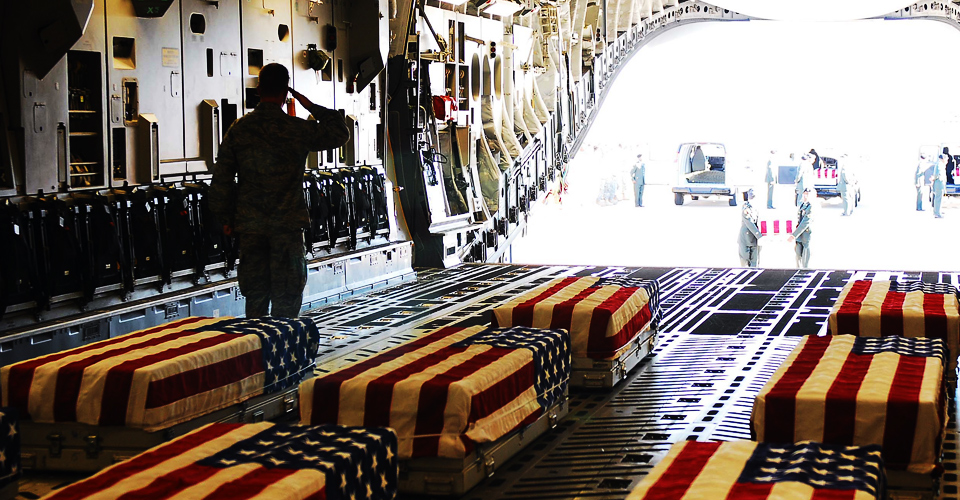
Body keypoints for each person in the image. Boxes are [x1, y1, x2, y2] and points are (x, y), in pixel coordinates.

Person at [210, 63, 350, 318]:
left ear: (259, 89)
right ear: (287, 92)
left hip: (251, 229)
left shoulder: (239, 129)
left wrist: (226, 219)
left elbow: (222, 179)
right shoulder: (296, 129)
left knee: (256, 299)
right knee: (286, 300)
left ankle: (257, 352)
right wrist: (310, 106)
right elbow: (340, 133)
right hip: (286, 228)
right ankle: (283, 354)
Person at [789, 187, 815, 268]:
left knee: (805, 253)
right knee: (798, 252)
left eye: (807, 195)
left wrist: (794, 235)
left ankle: (805, 269)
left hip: (806, 233)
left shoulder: (811, 207)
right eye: (804, 194)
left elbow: (805, 222)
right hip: (799, 234)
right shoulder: (803, 205)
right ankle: (798, 269)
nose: (805, 196)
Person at [738, 190, 762, 267]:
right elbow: (749, 223)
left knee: (754, 261)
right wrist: (759, 235)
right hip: (746, 238)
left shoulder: (755, 208)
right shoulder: (746, 208)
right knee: (744, 261)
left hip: (754, 238)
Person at [933, 153, 948, 218]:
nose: (947, 161)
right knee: (938, 198)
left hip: (940, 183)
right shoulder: (939, 164)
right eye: (946, 159)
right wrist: (935, 179)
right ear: (943, 159)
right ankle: (937, 213)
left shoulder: (941, 164)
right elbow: (936, 174)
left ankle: (938, 210)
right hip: (939, 183)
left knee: (939, 198)